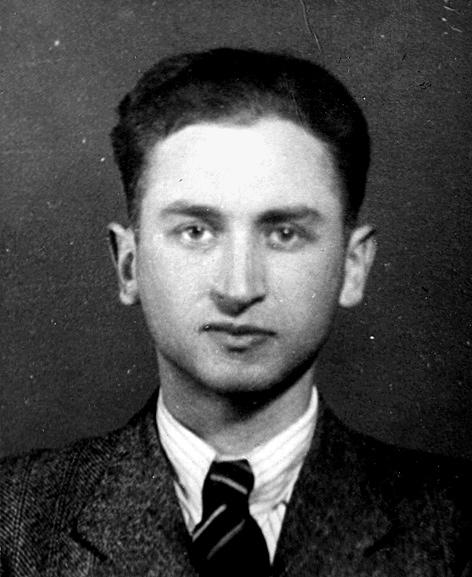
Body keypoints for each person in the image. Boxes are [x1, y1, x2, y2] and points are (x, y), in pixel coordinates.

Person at [0, 47, 471, 577]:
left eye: (284, 234)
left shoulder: (455, 528)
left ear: (352, 265)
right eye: (195, 231)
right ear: (128, 265)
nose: (239, 288)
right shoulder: (14, 524)